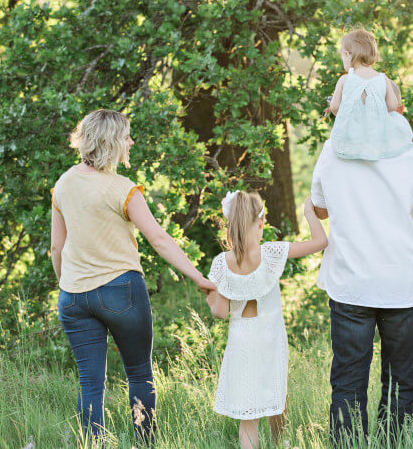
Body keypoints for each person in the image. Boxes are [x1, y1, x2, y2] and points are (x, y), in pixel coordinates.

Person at [50, 109, 216, 443]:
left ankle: (92, 444)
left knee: (89, 384)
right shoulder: (122, 188)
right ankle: (145, 442)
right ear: (111, 142)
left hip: (73, 297)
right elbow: (159, 240)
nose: (131, 142)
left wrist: (66, 285)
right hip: (120, 291)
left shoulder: (63, 184)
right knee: (139, 373)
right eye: (126, 136)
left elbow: (57, 248)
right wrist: (198, 278)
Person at [311, 82, 413, 446]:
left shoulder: (332, 152)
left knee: (347, 380)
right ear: (394, 107)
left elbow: (320, 208)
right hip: (399, 286)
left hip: (349, 285)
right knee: (399, 381)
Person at [205, 191, 328, 449]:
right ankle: (279, 442)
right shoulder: (271, 253)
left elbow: (220, 312)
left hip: (241, 342)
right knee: (276, 396)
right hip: (270, 338)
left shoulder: (221, 263)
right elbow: (320, 242)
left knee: (248, 416)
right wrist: (308, 213)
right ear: (261, 223)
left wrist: (210, 297)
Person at [328, 28, 413, 160]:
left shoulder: (345, 79)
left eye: (342, 58)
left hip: (352, 135)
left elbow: (334, 107)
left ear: (347, 54)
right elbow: (392, 105)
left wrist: (347, 115)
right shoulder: (383, 78)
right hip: (376, 135)